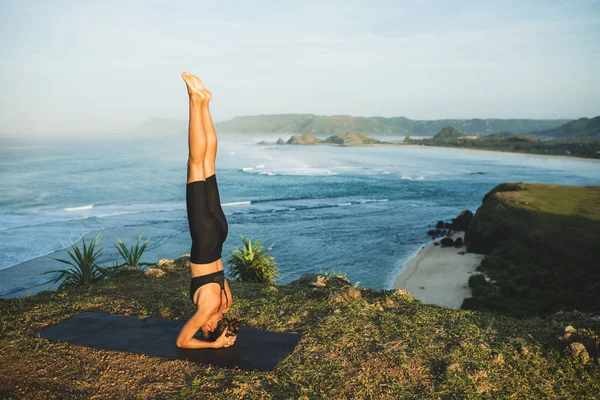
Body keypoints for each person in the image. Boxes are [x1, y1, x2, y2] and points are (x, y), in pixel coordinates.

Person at [176, 72, 236, 349]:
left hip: (220, 233)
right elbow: (182, 342)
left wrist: (225, 333)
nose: (202, 326)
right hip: (204, 236)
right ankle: (193, 100)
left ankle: (205, 103)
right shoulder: (208, 307)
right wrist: (212, 345)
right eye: (205, 330)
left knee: (210, 165)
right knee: (195, 164)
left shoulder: (225, 302)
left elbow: (220, 317)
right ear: (210, 327)